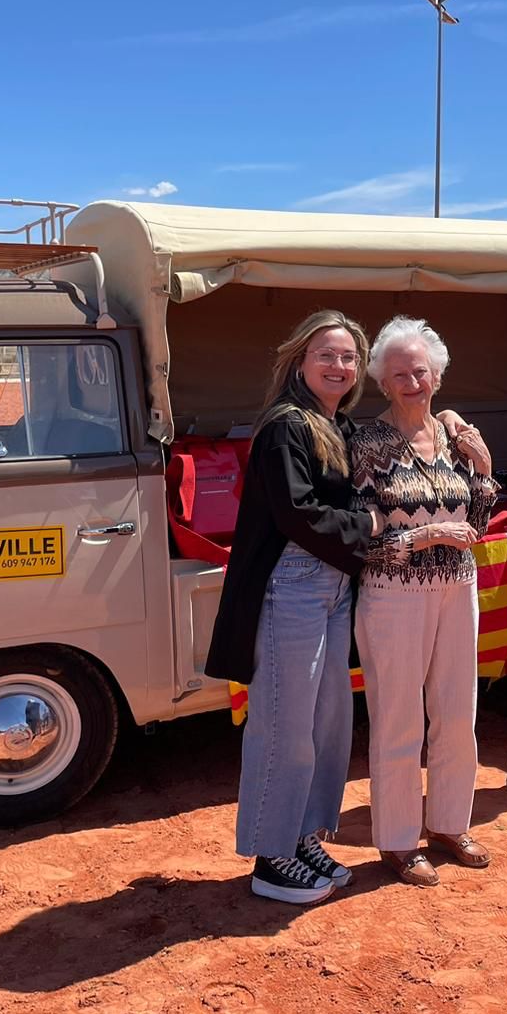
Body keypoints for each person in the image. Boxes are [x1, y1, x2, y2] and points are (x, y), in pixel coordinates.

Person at [205, 310, 380, 906]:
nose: (339, 365)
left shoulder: (339, 425)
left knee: (327, 722)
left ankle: (303, 836)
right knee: (284, 723)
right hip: (293, 584)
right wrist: (367, 525)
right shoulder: (287, 426)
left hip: (331, 584)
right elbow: (296, 514)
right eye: (326, 354)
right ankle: (271, 856)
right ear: (299, 360)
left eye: (349, 357)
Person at [350, 316, 497, 887]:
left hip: (458, 588)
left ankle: (449, 824)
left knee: (458, 713)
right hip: (393, 594)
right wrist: (424, 537)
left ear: (437, 374)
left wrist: (484, 469)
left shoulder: (456, 438)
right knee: (398, 718)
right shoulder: (367, 443)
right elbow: (359, 537)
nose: (412, 383)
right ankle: (396, 839)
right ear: (382, 382)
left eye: (420, 372)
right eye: (399, 375)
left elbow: (476, 524)